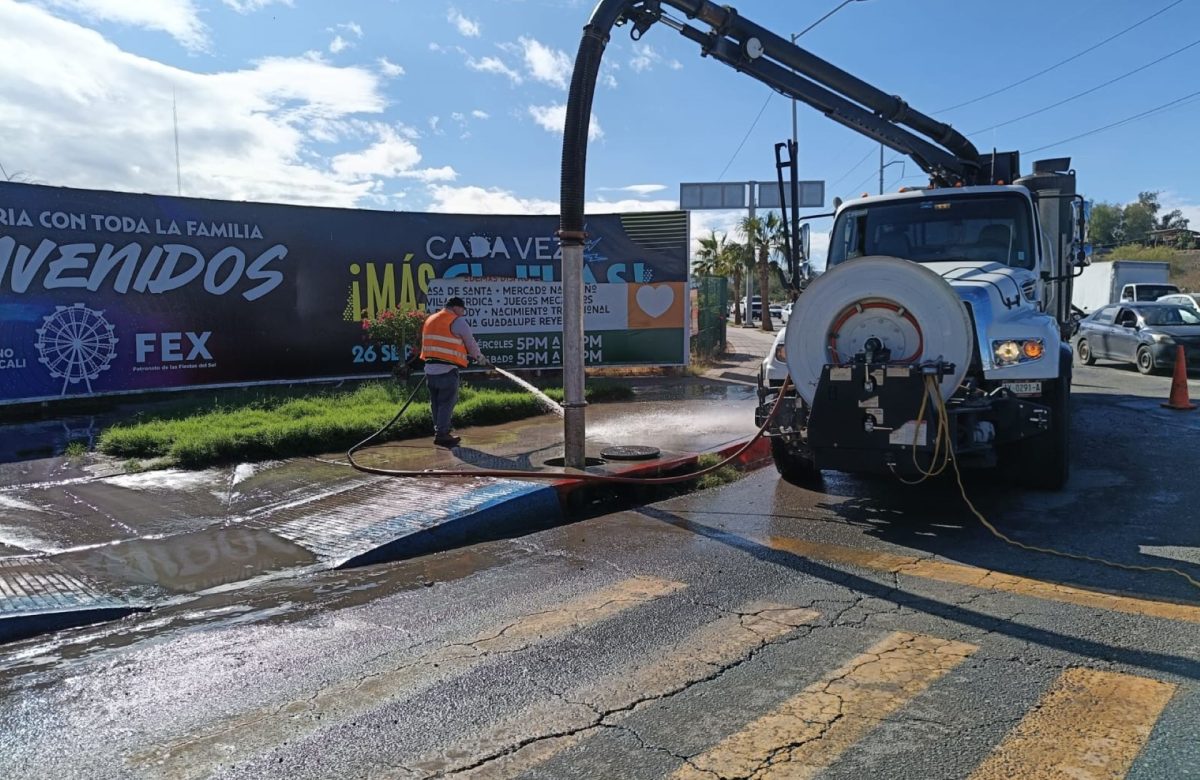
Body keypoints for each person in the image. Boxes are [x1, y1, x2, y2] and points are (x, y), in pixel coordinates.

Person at [419, 296, 487, 448]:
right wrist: (480, 358)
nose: (463, 314)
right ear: (456, 307)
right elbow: (470, 342)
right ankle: (442, 434)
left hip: (430, 371)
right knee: (447, 402)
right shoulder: (457, 321)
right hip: (447, 370)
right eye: (462, 310)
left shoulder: (431, 319)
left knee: (436, 403)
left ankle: (439, 432)